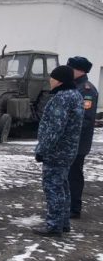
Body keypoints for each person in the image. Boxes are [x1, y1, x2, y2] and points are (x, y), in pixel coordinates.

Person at [33, 65, 84, 237]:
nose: (50, 80)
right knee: (63, 186)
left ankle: (54, 226)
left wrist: (42, 149)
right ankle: (63, 223)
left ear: (60, 80)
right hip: (68, 150)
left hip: (56, 151)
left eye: (53, 77)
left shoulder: (61, 98)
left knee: (53, 187)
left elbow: (54, 129)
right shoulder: (75, 95)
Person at [66, 56, 98, 219]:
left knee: (74, 174)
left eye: (71, 68)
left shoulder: (86, 90)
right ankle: (68, 205)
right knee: (68, 174)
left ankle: (74, 208)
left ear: (80, 70)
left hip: (78, 142)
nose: (68, 70)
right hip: (72, 141)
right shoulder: (74, 87)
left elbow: (85, 119)